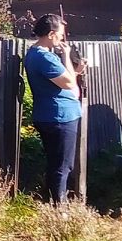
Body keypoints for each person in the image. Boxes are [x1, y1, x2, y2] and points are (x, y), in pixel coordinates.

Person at [23, 13, 86, 203]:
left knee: (56, 163)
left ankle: (51, 201)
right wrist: (67, 58)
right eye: (60, 34)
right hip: (58, 117)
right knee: (63, 165)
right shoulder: (43, 57)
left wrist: (73, 71)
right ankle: (60, 208)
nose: (61, 38)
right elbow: (68, 83)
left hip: (53, 115)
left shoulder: (42, 55)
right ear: (51, 34)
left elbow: (64, 80)